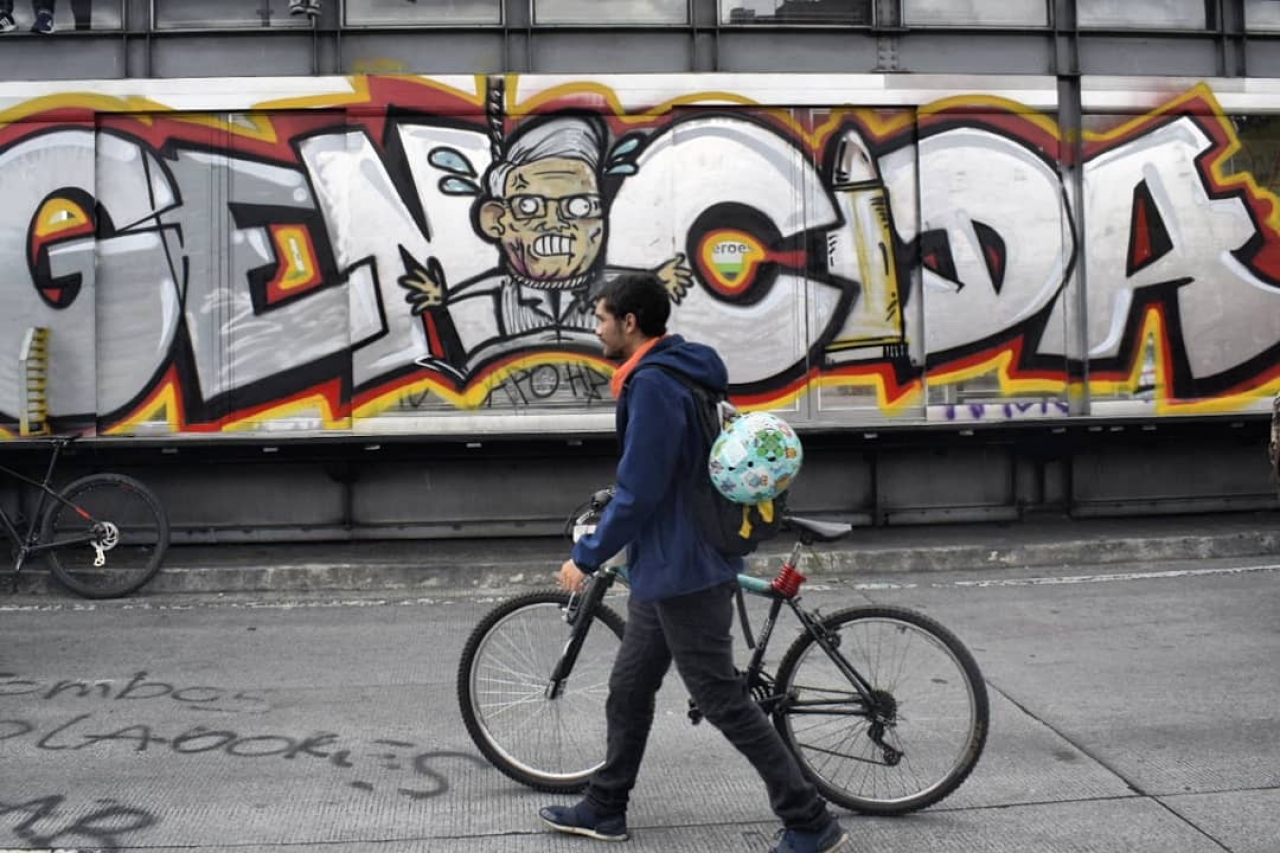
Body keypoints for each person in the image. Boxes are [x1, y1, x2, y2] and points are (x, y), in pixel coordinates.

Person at [539, 271, 850, 853]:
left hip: (685, 565)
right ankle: (606, 805)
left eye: (602, 318)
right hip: (665, 564)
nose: (597, 328)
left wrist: (588, 554)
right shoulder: (677, 373)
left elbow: (642, 487)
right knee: (629, 688)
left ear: (630, 324)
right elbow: (662, 471)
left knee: (720, 697)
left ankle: (809, 819)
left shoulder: (656, 385)